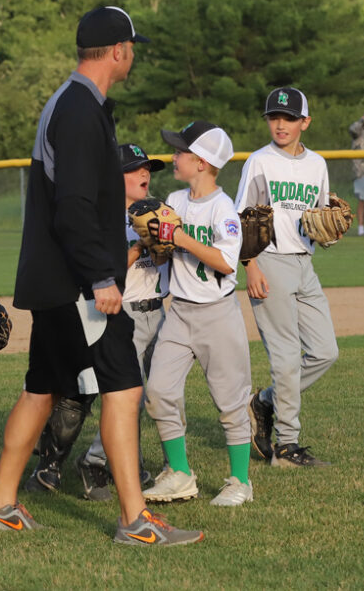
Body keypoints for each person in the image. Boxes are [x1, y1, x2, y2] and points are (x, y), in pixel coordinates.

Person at [0, 6, 204, 546]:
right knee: (124, 387)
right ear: (119, 50)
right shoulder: (77, 109)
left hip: (57, 280)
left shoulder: (76, 102)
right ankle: (135, 521)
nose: (133, 55)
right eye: (132, 47)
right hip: (80, 286)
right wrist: (102, 277)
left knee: (42, 389)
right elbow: (73, 207)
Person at [24, 143, 168, 501]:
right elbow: (98, 267)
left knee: (143, 393)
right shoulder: (101, 217)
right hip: (115, 311)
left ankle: (117, 463)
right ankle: (55, 466)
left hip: (156, 311)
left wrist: (171, 242)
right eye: (135, 169)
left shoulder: (157, 211)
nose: (144, 175)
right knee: (92, 391)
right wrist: (138, 249)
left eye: (147, 168)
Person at [141, 121, 253, 507]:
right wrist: (155, 242)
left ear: (202, 163)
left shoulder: (223, 208)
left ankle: (240, 481)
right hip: (180, 313)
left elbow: (225, 262)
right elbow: (166, 248)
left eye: (181, 152)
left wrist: (181, 238)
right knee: (158, 390)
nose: (174, 157)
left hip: (218, 316)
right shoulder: (174, 199)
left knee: (230, 401)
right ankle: (180, 474)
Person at [237, 87, 338, 468]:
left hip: (304, 265)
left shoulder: (317, 165)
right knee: (286, 359)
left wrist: (329, 228)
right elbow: (242, 216)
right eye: (274, 117)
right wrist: (250, 265)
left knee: (326, 351)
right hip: (269, 260)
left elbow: (321, 216)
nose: (280, 123)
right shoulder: (259, 162)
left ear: (304, 123)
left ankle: (264, 402)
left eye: (289, 117)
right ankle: (287, 446)